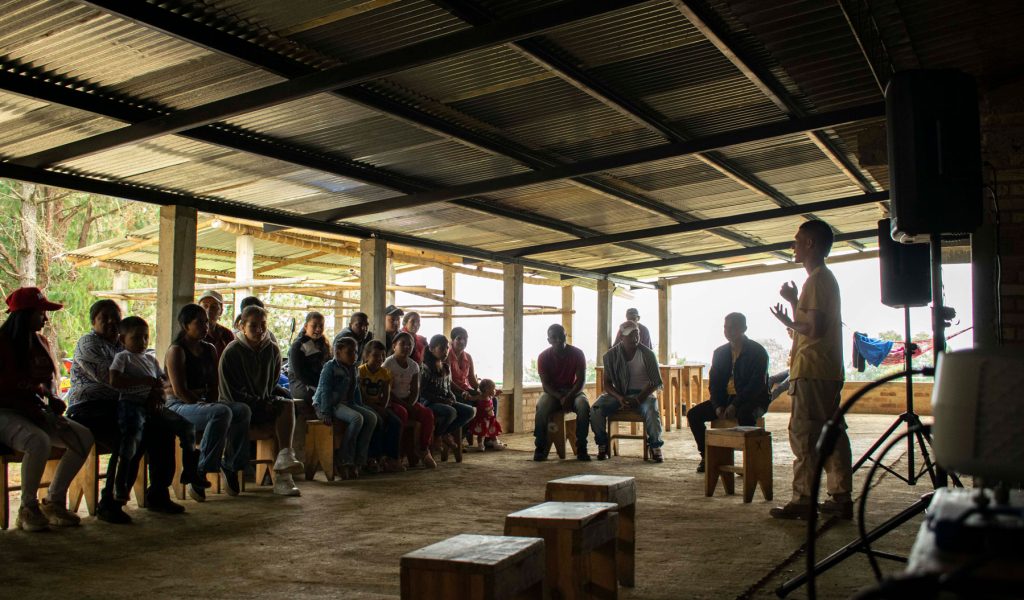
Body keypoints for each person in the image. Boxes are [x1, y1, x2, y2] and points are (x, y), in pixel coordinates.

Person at [67, 299, 183, 522]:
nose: (111, 321)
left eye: (116, 317)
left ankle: (158, 493)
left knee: (162, 428)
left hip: (123, 405)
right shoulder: (88, 344)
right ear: (93, 322)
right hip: (89, 407)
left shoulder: (126, 346)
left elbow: (160, 380)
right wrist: (149, 388)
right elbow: (111, 379)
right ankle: (110, 503)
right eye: (104, 317)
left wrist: (153, 391)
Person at [769, 220, 852, 520]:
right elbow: (808, 327)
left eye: (798, 240)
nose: (794, 245)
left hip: (812, 370)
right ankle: (841, 496)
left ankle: (804, 499)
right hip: (826, 370)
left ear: (811, 244)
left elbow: (812, 330)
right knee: (832, 433)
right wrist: (793, 304)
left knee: (804, 434)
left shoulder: (816, 280)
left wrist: (787, 321)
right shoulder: (822, 280)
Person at [0, 287, 93, 531]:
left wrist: (53, 401)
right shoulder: (2, 343)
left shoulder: (40, 342)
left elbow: (47, 383)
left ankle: (53, 501)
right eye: (41, 312)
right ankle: (27, 508)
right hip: (5, 412)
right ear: (25, 314)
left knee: (82, 437)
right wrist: (40, 414)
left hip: (34, 411)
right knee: (37, 440)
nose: (45, 318)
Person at [108, 316, 207, 503]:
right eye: (136, 338)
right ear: (123, 340)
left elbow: (163, 382)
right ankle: (120, 485)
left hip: (154, 405)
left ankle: (191, 470)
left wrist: (159, 392)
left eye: (146, 337)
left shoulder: (150, 359)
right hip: (131, 404)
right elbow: (114, 380)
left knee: (186, 427)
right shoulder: (123, 357)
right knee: (131, 441)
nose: (143, 342)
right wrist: (144, 382)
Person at [165, 304, 250, 498]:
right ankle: (200, 471)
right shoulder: (177, 351)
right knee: (220, 412)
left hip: (202, 404)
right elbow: (179, 391)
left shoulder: (209, 349)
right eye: (200, 323)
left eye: (206, 322)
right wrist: (207, 405)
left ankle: (230, 465)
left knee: (241, 410)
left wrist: (211, 402)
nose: (206, 326)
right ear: (186, 325)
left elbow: (214, 386)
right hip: (177, 406)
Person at [218, 305, 303, 496]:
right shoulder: (232, 352)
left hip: (259, 403)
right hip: (235, 407)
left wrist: (269, 400)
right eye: (254, 326)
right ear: (242, 327)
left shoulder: (271, 350)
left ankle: (284, 469)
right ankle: (231, 465)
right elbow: (231, 393)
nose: (260, 330)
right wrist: (260, 402)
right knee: (244, 409)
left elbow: (271, 384)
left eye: (263, 325)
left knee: (286, 404)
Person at [687, 313, 770, 473]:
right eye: (726, 327)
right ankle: (707, 456)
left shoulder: (757, 352)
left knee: (745, 414)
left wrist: (735, 404)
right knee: (693, 415)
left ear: (744, 329)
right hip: (725, 399)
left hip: (753, 399)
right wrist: (717, 405)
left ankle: (749, 461)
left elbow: (755, 385)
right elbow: (715, 383)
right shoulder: (720, 353)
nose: (728, 331)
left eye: (733, 327)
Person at [591, 321, 664, 462]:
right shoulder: (611, 356)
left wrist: (638, 399)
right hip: (620, 393)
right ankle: (602, 443)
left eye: (636, 334)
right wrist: (619, 398)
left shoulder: (647, 354)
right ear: (621, 337)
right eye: (630, 335)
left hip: (643, 393)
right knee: (595, 409)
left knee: (651, 408)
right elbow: (606, 384)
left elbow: (655, 382)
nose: (635, 338)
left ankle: (655, 446)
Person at [312, 336, 378, 479]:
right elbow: (325, 390)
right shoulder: (330, 367)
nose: (354, 356)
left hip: (347, 403)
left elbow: (355, 391)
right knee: (357, 418)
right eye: (349, 352)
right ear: (338, 352)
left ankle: (359, 460)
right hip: (329, 404)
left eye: (355, 352)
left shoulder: (353, 368)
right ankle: (345, 459)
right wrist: (325, 412)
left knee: (371, 418)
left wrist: (361, 406)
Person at [533, 323, 591, 461]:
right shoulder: (543, 357)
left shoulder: (577, 353)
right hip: (553, 393)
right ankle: (540, 447)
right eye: (554, 337)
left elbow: (581, 380)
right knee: (541, 407)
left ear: (566, 336)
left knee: (583, 405)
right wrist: (560, 397)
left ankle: (582, 447)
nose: (558, 340)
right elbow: (545, 385)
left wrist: (569, 397)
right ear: (549, 340)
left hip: (574, 391)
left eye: (561, 336)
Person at [383, 332, 436, 468]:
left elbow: (414, 390)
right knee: (402, 413)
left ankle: (423, 449)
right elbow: (387, 391)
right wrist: (405, 405)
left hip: (408, 401)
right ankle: (397, 455)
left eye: (410, 345)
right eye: (403, 344)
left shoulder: (414, 366)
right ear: (394, 346)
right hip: (391, 401)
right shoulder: (388, 364)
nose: (407, 347)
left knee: (427, 414)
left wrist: (411, 403)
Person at [419, 334, 474, 461]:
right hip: (429, 403)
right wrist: (442, 400)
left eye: (447, 348)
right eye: (442, 348)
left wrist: (451, 396)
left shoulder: (445, 367)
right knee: (451, 412)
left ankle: (443, 433)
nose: (445, 351)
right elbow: (422, 393)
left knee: (469, 411)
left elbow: (448, 387)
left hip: (445, 401)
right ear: (431, 349)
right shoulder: (425, 368)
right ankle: (439, 436)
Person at [287, 311, 331, 465]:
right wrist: (320, 385)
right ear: (306, 326)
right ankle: (321, 409)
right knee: (317, 395)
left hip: (318, 384)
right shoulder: (298, 346)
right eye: (314, 325)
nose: (318, 329)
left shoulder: (323, 345)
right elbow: (300, 374)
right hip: (301, 385)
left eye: (321, 325)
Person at [359, 340, 405, 473]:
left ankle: (391, 458)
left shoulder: (385, 373)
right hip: (365, 405)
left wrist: (383, 408)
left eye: (382, 356)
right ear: (367, 356)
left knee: (396, 422)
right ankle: (373, 458)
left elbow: (386, 394)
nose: (380, 359)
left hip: (380, 406)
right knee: (377, 421)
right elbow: (361, 397)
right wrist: (378, 409)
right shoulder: (361, 372)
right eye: (376, 356)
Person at [467, 379, 503, 452]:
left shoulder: (490, 397)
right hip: (482, 419)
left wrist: (497, 393)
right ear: (487, 390)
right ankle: (480, 445)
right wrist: (467, 396)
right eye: (493, 389)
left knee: (493, 432)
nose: (494, 390)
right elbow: (471, 398)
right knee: (481, 434)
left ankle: (495, 443)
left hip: (490, 419)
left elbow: (494, 395)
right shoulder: (480, 397)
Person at [198, 290, 235, 360]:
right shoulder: (195, 334)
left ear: (221, 311)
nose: (208, 310)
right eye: (205, 306)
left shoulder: (227, 334)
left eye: (213, 307)